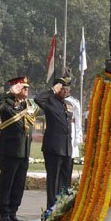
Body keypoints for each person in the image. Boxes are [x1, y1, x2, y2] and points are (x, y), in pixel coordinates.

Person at [0, 76, 36, 221]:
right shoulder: (7, 103)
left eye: (27, 88)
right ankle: (4, 214)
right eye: (23, 87)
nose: (26, 90)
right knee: (7, 183)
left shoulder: (28, 105)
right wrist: (9, 92)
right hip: (9, 150)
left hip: (24, 151)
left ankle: (13, 211)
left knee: (19, 183)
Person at [35, 76, 74, 210]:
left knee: (65, 180)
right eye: (62, 88)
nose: (65, 90)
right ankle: (51, 209)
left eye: (67, 88)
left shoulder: (68, 105)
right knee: (54, 180)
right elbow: (37, 99)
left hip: (66, 148)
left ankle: (62, 206)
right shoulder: (49, 101)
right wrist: (52, 90)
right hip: (53, 148)